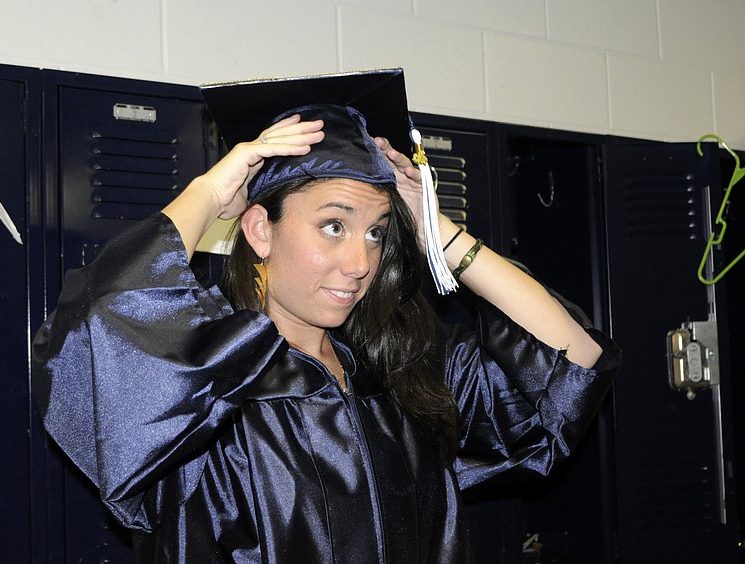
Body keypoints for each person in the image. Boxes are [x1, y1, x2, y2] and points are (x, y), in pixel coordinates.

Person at [33, 69, 620, 563]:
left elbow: (574, 359)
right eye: (332, 226)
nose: (359, 262)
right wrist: (212, 191)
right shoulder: (203, 391)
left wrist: (436, 231)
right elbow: (95, 326)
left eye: (374, 234)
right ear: (260, 230)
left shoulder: (402, 376)